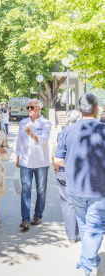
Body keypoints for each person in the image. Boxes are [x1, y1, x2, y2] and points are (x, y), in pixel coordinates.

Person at [54, 94, 105, 276]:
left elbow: (58, 159)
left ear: (80, 110)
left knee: (84, 225)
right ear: (97, 109)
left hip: (75, 186)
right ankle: (87, 266)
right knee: (95, 227)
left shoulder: (67, 131)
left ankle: (89, 260)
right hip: (99, 188)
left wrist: (73, 164)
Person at [15, 99, 52, 230]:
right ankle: (25, 219)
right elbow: (19, 142)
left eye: (32, 107)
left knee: (41, 191)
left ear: (39, 108)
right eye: (28, 107)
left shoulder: (46, 123)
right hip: (25, 161)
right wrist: (17, 157)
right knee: (26, 190)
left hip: (41, 162)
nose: (29, 109)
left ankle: (37, 215)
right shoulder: (22, 123)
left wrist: (32, 134)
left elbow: (44, 139)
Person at [51, 110, 82, 244]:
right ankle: (82, 232)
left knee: (67, 203)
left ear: (67, 122)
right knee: (81, 202)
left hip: (64, 170)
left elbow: (54, 155)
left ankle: (72, 235)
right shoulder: (84, 134)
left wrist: (55, 168)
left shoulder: (61, 134)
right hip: (81, 172)